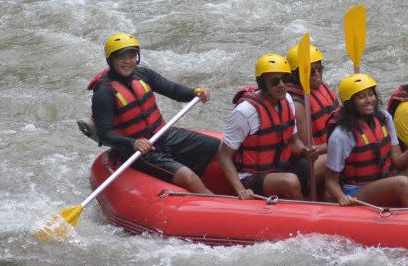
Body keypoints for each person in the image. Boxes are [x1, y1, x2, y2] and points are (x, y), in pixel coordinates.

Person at [88, 32, 218, 194]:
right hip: (139, 151)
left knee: (218, 147)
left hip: (163, 135)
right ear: (111, 60)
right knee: (188, 177)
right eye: (122, 57)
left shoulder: (144, 75)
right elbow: (105, 134)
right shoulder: (103, 92)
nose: (128, 61)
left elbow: (174, 91)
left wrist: (195, 92)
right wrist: (133, 143)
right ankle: (221, 205)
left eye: (132, 56)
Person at [218, 53, 319, 201]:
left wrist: (306, 151)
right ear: (262, 84)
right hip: (250, 176)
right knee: (290, 181)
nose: (282, 85)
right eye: (275, 81)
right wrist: (240, 189)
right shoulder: (245, 112)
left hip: (280, 167)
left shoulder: (288, 100)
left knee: (323, 164)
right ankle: (305, 214)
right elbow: (224, 156)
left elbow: (293, 141)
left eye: (285, 79)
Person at [325, 73, 408, 208]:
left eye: (371, 94)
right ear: (350, 103)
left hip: (386, 179)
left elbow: (398, 161)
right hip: (358, 191)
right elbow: (331, 180)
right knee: (404, 183)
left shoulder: (384, 117)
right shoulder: (341, 135)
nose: (369, 100)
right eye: (361, 97)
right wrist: (341, 198)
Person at [285, 43, 340, 193]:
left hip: (326, 151)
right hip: (304, 165)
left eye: (319, 69)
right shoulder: (296, 104)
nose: (317, 74)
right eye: (310, 71)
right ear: (296, 75)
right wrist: (344, 143)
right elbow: (308, 151)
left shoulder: (322, 87)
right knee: (345, 154)